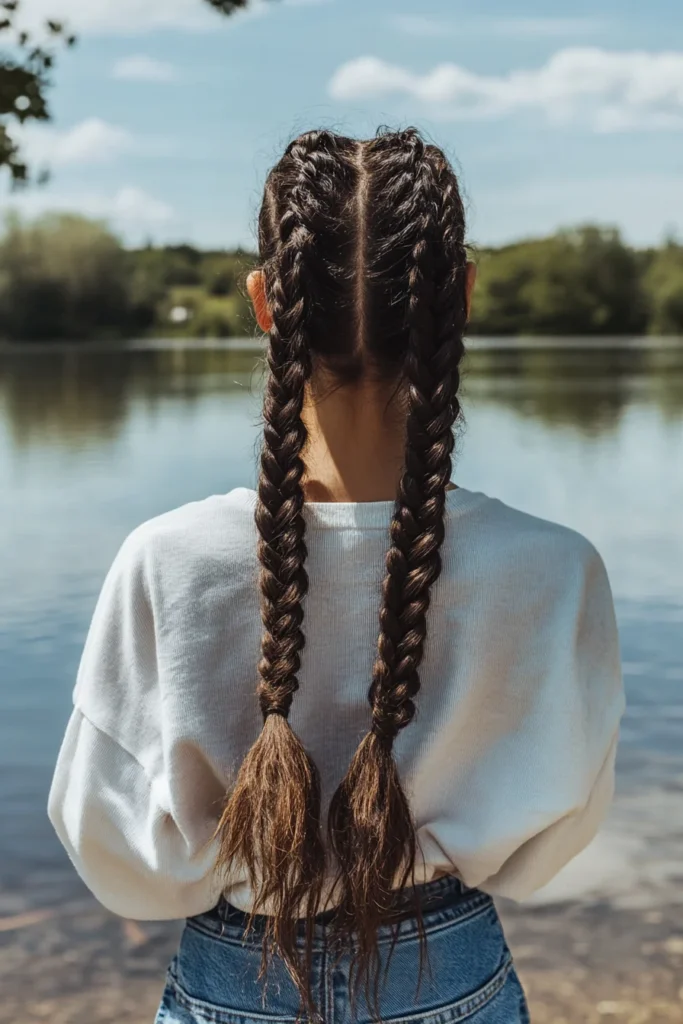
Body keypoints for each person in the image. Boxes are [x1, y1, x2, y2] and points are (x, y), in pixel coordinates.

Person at [48, 128, 625, 1024]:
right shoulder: (553, 570)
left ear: (264, 304)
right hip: (455, 977)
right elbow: (554, 843)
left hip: (233, 984)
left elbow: (114, 848)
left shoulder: (166, 561)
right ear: (461, 298)